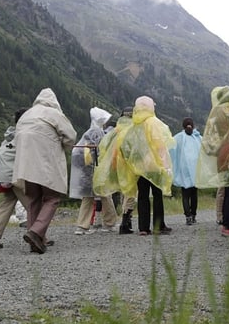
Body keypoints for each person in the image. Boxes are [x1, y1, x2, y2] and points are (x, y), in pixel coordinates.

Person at [13, 88, 77, 254]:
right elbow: (70, 136)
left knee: (34, 198)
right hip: (46, 161)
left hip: (25, 164)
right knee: (52, 198)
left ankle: (36, 240)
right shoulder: (53, 113)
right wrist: (64, 144)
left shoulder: (27, 115)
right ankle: (35, 232)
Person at [0, 107, 38, 249]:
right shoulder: (25, 135)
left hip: (0, 176)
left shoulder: (10, 135)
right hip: (13, 176)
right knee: (33, 204)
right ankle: (39, 236)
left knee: (7, 203)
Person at [120, 95, 175, 235]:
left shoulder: (134, 123)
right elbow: (159, 144)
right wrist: (165, 164)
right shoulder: (153, 122)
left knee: (143, 195)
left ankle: (143, 227)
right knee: (157, 194)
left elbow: (127, 144)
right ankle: (158, 225)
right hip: (154, 165)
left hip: (139, 166)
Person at [195, 86, 229, 237]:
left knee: (226, 188)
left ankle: (225, 221)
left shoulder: (215, 111)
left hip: (221, 153)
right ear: (228, 97)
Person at [70, 107, 118, 235]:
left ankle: (82, 226)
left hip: (88, 170)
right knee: (105, 196)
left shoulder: (88, 132)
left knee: (88, 197)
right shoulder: (98, 133)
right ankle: (109, 223)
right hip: (97, 169)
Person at [93, 107, 138, 234]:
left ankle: (124, 221)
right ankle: (125, 222)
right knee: (130, 194)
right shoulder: (132, 130)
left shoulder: (115, 130)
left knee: (122, 193)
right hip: (129, 166)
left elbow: (104, 146)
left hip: (115, 165)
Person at [170, 117, 202, 225]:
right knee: (194, 194)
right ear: (193, 125)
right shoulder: (197, 137)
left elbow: (170, 147)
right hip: (195, 169)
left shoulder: (179, 137)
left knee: (185, 194)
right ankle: (193, 215)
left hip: (184, 170)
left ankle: (187, 216)